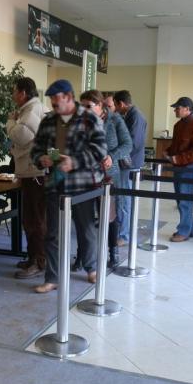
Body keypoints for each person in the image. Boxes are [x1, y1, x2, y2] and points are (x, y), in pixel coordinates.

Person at [30, 79, 107, 293]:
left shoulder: (90, 118)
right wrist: (41, 159)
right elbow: (36, 149)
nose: (53, 103)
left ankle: (91, 268)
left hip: (83, 186)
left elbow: (100, 150)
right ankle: (52, 277)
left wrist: (74, 162)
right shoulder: (48, 121)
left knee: (86, 229)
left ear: (69, 97)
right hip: (55, 184)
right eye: (51, 99)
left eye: (57, 98)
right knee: (52, 234)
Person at [80, 89, 132, 266]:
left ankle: (113, 252)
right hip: (85, 175)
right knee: (84, 219)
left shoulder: (115, 120)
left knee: (109, 216)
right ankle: (82, 256)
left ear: (100, 105)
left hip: (108, 176)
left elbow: (128, 144)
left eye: (88, 106)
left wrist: (112, 156)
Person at [7, 77, 48, 279]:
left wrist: (10, 121)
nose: (13, 95)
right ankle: (34, 258)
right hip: (32, 172)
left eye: (15, 91)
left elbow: (20, 136)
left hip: (35, 174)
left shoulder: (32, 110)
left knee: (35, 219)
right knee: (32, 218)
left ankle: (39, 262)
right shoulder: (32, 109)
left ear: (23, 93)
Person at [164, 96, 193, 242]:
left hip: (189, 166)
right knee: (181, 199)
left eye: (177, 108)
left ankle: (184, 231)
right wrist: (168, 152)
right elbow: (176, 146)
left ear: (187, 109)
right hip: (179, 166)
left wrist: (178, 159)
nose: (175, 111)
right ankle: (190, 229)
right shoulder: (179, 125)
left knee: (184, 199)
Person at [113, 90, 147, 246]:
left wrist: (116, 153)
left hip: (128, 164)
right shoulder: (130, 115)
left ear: (120, 103)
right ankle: (123, 231)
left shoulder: (135, 116)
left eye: (115, 105)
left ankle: (124, 234)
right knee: (123, 199)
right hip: (125, 163)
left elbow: (132, 143)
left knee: (125, 199)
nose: (114, 109)